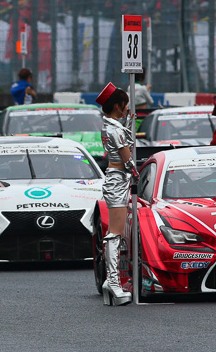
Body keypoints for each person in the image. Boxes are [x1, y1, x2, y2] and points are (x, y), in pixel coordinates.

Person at [97, 82, 136, 306]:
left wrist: (128, 123)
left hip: (116, 178)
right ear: (118, 106)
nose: (126, 109)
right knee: (115, 233)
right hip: (118, 179)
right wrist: (136, 172)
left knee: (115, 233)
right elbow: (127, 158)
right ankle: (113, 282)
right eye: (125, 105)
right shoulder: (115, 129)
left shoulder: (109, 126)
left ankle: (110, 282)